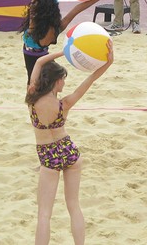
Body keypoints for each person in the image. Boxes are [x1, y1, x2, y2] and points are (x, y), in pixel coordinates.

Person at [26, 42, 113, 244]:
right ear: (56, 81)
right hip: (68, 151)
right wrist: (107, 63)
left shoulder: (31, 98)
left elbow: (39, 61)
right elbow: (90, 80)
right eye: (63, 79)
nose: (64, 83)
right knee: (73, 205)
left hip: (48, 155)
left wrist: (63, 53)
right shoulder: (63, 104)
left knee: (44, 214)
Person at [18, 0, 103, 85]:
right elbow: (76, 9)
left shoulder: (33, 27)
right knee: (52, 81)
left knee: (33, 86)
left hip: (33, 62)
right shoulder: (58, 28)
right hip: (45, 59)